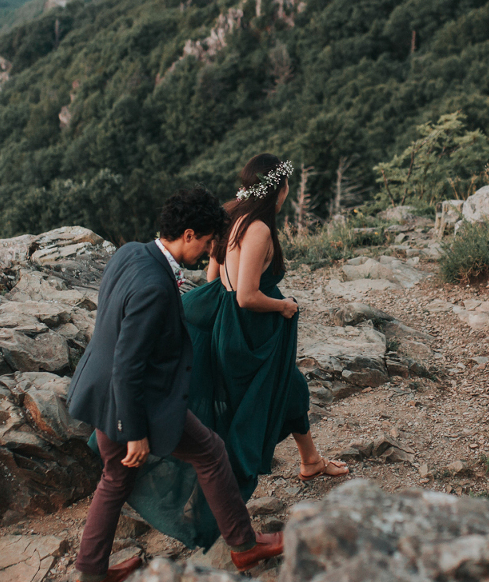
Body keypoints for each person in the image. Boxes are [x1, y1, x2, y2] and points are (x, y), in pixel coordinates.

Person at [64, 187, 283, 582]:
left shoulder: (131, 252)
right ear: (187, 234)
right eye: (205, 242)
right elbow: (129, 364)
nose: (206, 252)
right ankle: (244, 545)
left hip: (100, 389)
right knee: (211, 451)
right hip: (132, 402)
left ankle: (90, 575)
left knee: (115, 478)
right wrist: (134, 430)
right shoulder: (154, 286)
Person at [120, 154, 348, 549]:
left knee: (290, 386)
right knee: (250, 409)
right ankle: (217, 507)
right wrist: (284, 306)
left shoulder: (230, 214)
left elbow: (213, 271)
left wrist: (217, 300)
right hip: (249, 332)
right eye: (286, 186)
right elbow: (245, 296)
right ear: (279, 189)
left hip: (225, 319)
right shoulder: (257, 227)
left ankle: (310, 460)